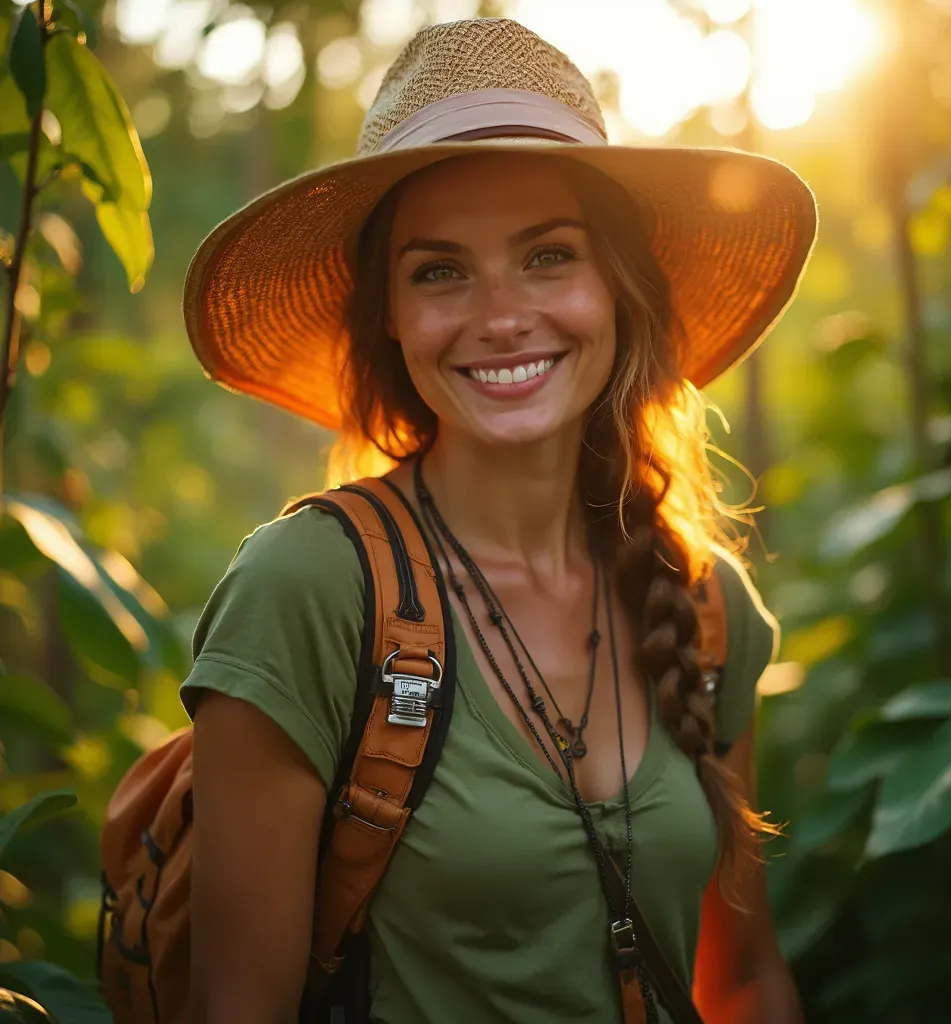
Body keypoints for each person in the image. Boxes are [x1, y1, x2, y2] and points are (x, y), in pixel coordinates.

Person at [180, 16, 816, 1024]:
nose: (501, 314)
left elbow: (739, 978)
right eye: (439, 270)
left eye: (548, 256)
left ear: (617, 284)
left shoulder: (702, 601)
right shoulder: (310, 590)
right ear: (387, 312)